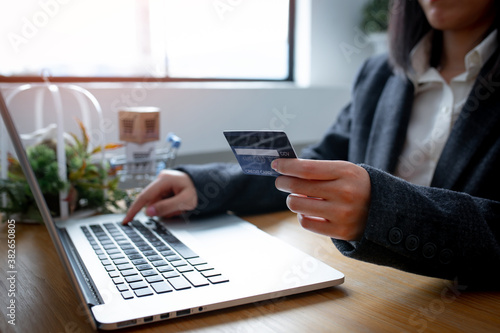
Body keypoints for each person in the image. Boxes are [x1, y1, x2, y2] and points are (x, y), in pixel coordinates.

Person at [123, 0, 500, 289]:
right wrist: (205, 184)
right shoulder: (379, 74)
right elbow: (319, 162)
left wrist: (382, 208)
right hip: (375, 289)